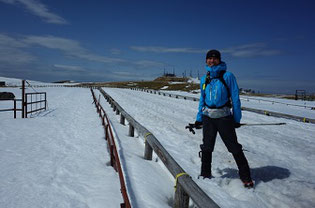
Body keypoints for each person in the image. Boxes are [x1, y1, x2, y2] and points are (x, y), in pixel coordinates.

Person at [195, 49, 253, 188]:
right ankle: (205, 174)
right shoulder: (205, 78)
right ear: (206, 60)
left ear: (219, 60)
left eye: (215, 58)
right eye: (209, 58)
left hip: (224, 117)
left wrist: (236, 119)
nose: (212, 60)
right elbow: (202, 99)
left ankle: (246, 177)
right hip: (208, 117)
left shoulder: (228, 76)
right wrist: (199, 118)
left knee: (234, 147)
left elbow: (235, 99)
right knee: (207, 147)